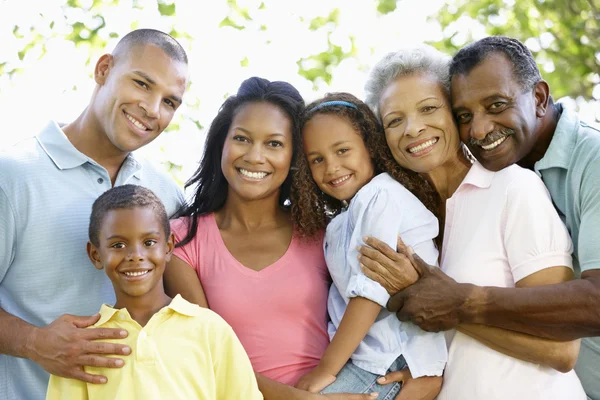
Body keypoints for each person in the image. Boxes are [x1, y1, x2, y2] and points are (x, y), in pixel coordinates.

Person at [360, 36, 600, 400]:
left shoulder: (514, 186)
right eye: (395, 119)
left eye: (428, 109)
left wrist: (441, 300)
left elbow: (561, 352)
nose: (413, 128)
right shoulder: (404, 217)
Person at [0, 29, 188, 399]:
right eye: (142, 84)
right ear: (103, 69)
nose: (152, 109)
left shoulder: (168, 195)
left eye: (169, 102)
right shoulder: (13, 177)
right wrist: (33, 342)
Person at [163, 77, 374, 400]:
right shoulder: (181, 240)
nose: (255, 156)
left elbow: (375, 310)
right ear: (222, 143)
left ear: (294, 158)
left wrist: (412, 370)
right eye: (242, 139)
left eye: (274, 144)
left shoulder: (323, 232)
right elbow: (206, 357)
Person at [291, 93, 446, 400]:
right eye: (317, 159)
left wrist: (326, 369)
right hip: (367, 356)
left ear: (370, 147)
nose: (332, 167)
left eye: (342, 150)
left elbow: (371, 292)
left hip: (391, 357)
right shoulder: (340, 221)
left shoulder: (381, 196)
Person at [46, 184, 262, 399]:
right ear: (95, 255)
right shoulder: (81, 344)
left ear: (168, 248)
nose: (135, 255)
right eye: (118, 245)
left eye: (149, 242)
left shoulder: (210, 329)